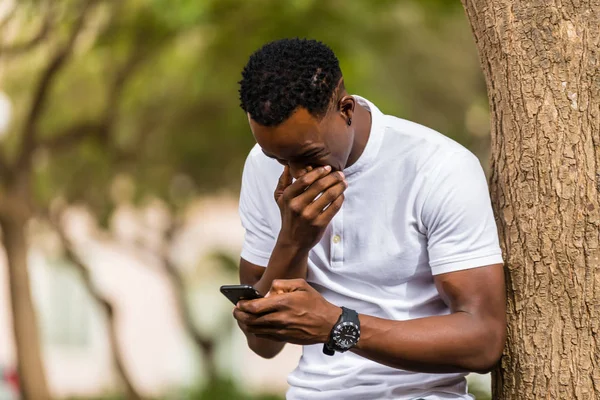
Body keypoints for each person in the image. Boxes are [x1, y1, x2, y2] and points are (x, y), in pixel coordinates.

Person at [232, 38, 506, 400]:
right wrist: (294, 241)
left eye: (308, 155)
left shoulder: (438, 167)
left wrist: (337, 325)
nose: (295, 173)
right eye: (278, 158)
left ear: (345, 109)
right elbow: (263, 345)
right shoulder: (262, 164)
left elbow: (482, 341)